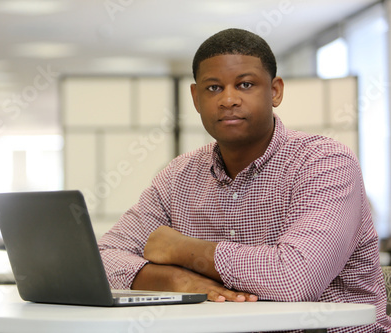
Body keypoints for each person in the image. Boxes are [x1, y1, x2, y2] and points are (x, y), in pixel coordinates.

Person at [98, 28, 391, 331]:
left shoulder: (324, 163)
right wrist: (174, 279)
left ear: (275, 91)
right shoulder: (178, 176)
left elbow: (296, 279)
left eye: (245, 84)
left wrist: (182, 249)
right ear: (196, 98)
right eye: (213, 88)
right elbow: (100, 260)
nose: (228, 99)